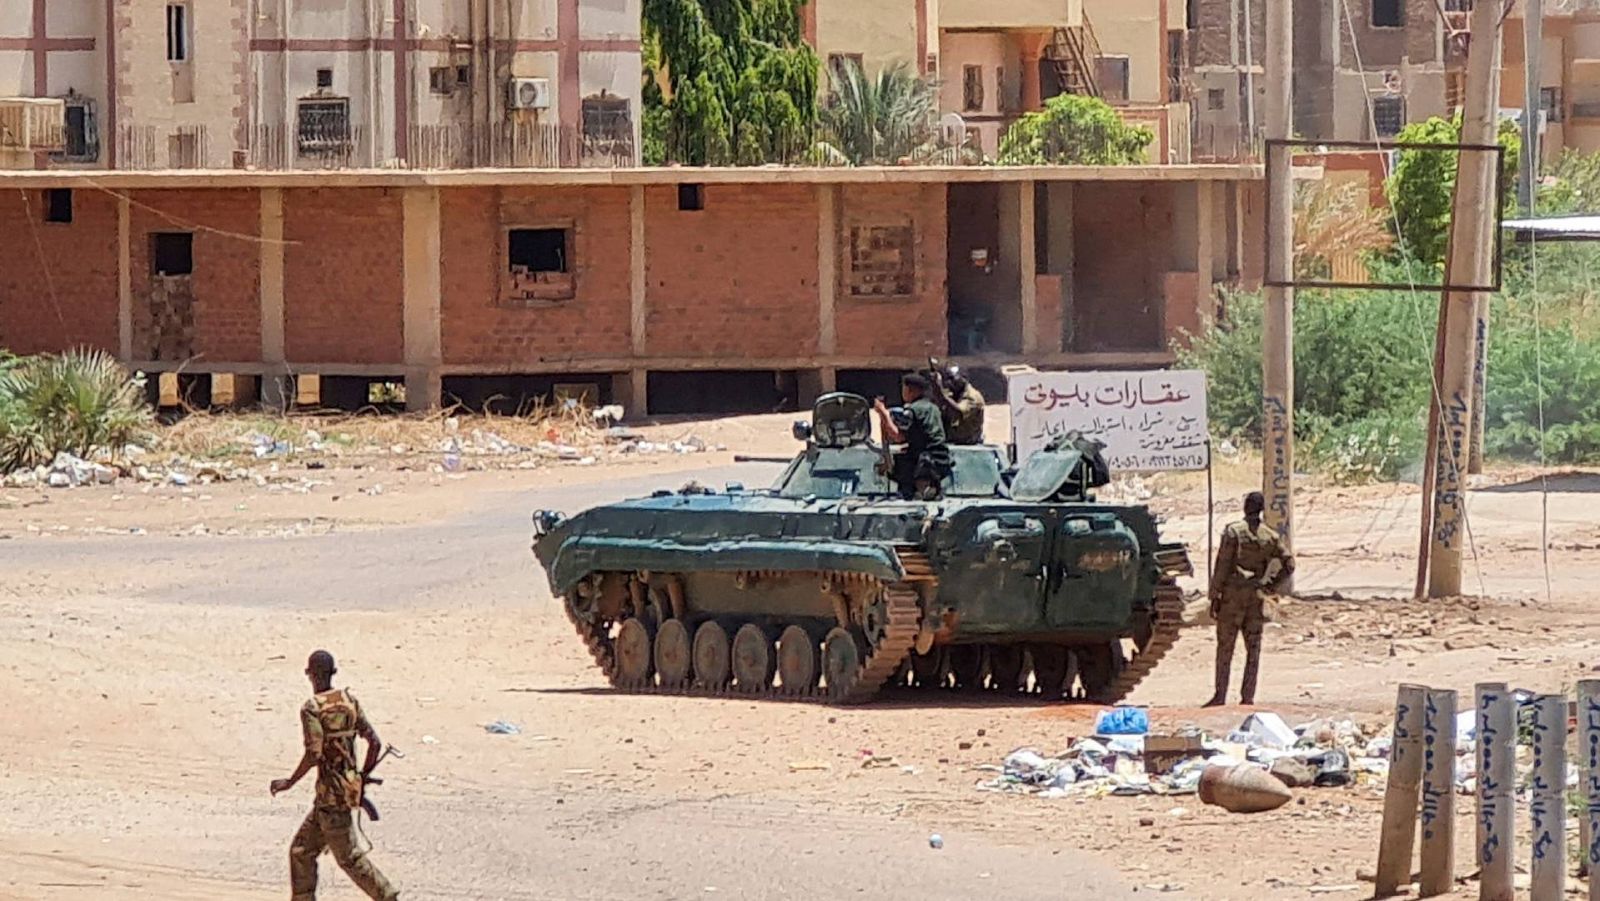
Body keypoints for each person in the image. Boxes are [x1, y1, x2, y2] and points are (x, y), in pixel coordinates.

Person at [271, 650, 399, 901]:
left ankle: (386, 896)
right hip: (340, 794)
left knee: (348, 858)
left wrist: (289, 782)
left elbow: (313, 753)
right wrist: (361, 776)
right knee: (301, 851)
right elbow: (374, 742)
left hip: (330, 798)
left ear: (310, 674)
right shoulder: (349, 700)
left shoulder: (312, 708)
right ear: (333, 673)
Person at [1205, 492, 1294, 708]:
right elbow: (1289, 563)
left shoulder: (1233, 532)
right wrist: (1269, 585)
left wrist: (1214, 595)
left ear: (1246, 508)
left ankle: (1220, 695)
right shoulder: (1270, 536)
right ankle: (1247, 697)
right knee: (1253, 649)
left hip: (1232, 598)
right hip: (1255, 596)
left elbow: (1222, 566)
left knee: (1225, 648)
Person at [873, 373, 953, 500]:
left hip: (923, 463)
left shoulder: (915, 409)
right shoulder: (932, 407)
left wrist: (883, 412)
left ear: (911, 390)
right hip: (940, 459)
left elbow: (898, 436)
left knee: (899, 470)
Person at [930, 365, 985, 444]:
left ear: (964, 379)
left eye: (952, 379)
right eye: (947, 379)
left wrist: (941, 394)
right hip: (952, 442)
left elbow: (958, 412)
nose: (949, 383)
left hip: (969, 445)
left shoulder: (973, 396)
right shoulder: (954, 394)